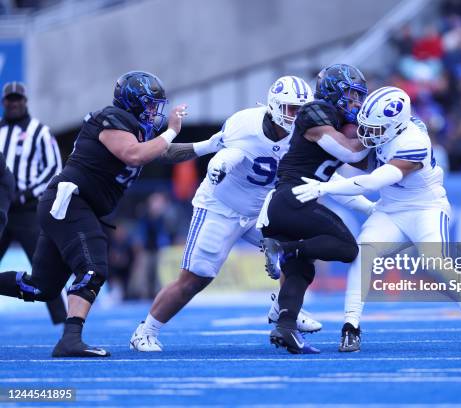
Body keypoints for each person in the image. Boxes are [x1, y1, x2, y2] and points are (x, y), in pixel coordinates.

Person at [0, 71, 220, 357]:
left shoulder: (134, 129)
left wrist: (210, 145)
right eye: (150, 104)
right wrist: (172, 130)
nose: (155, 111)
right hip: (72, 201)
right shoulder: (110, 118)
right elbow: (135, 155)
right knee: (93, 268)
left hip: (72, 204)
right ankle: (70, 340)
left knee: (40, 287)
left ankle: (69, 338)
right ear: (132, 101)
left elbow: (161, 152)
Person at [292, 86, 461, 352]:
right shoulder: (387, 130)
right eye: (367, 126)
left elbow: (374, 180)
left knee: (436, 262)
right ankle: (350, 327)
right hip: (390, 210)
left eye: (375, 129)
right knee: (363, 254)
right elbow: (356, 158)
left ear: (396, 125)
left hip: (425, 209)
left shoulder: (414, 142)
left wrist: (325, 187)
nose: (368, 134)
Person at [130, 76, 329, 351]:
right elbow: (224, 153)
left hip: (261, 209)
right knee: (195, 278)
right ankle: (145, 331)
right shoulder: (244, 125)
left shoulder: (309, 132)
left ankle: (285, 308)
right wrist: (218, 163)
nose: (297, 117)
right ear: (274, 106)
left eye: (302, 110)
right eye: (291, 109)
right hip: (221, 206)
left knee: (302, 249)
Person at [259, 64, 372, 354]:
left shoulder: (334, 121)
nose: (355, 102)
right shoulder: (314, 112)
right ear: (332, 91)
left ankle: (285, 328)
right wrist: (379, 131)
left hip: (291, 204)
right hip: (292, 200)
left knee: (301, 270)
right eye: (350, 94)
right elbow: (353, 152)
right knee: (347, 247)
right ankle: (284, 248)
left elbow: (359, 163)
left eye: (358, 97)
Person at [0, 81, 66, 325]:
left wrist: (27, 193)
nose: (14, 103)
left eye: (18, 99)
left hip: (28, 210)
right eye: (10, 99)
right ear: (4, 102)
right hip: (1, 208)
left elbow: (53, 168)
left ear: (25, 102)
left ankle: (62, 320)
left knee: (43, 264)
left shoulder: (41, 131)